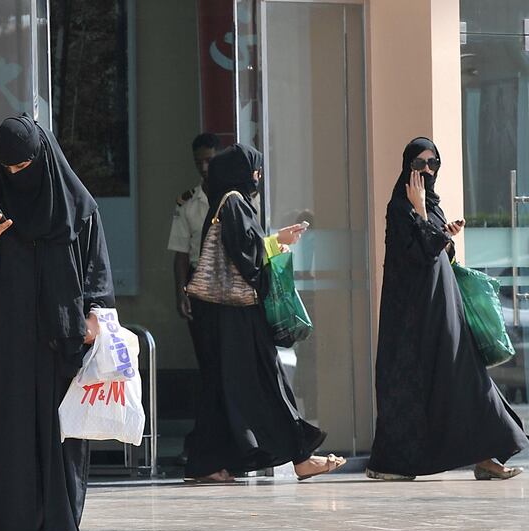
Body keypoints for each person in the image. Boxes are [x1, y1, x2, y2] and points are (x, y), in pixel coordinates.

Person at [0, 114, 114, 531]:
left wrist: (95, 318)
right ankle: (11, 527)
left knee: (61, 435)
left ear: (42, 156)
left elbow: (97, 272)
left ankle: (59, 524)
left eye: (24, 167)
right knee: (11, 431)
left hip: (62, 341)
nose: (15, 176)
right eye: (7, 169)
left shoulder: (79, 207)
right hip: (9, 343)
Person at [367, 137, 529, 481]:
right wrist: (423, 214)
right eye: (420, 164)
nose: (427, 171)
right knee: (412, 386)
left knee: (467, 380)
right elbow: (415, 255)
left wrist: (447, 233)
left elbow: (440, 253)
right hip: (414, 318)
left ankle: (486, 456)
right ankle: (391, 464)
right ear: (407, 167)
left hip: (445, 310)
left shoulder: (431, 205)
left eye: (433, 164)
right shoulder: (401, 207)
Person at [184, 143, 346, 483]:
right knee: (268, 381)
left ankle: (207, 462)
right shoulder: (234, 203)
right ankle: (301, 458)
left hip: (222, 315)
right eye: (254, 169)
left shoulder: (224, 202)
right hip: (237, 316)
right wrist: (274, 243)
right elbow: (247, 253)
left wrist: (273, 241)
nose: (257, 176)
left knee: (223, 387)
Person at [168, 133, 262, 465]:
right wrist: (182, 292)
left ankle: (226, 449)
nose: (205, 167)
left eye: (210, 160)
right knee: (212, 370)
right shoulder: (191, 201)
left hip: (233, 294)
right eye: (199, 162)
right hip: (205, 288)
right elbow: (181, 254)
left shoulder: (237, 196)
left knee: (226, 374)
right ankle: (208, 451)